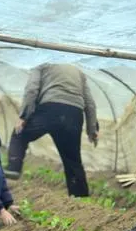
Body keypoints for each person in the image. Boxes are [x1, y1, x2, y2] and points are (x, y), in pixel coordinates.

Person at [5, 63, 99, 197]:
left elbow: (32, 89)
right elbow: (89, 102)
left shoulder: (42, 63)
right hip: (74, 113)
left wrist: (24, 116)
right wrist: (92, 129)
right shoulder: (78, 70)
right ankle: (80, 196)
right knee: (73, 159)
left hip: (50, 109)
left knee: (19, 134)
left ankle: (14, 167)